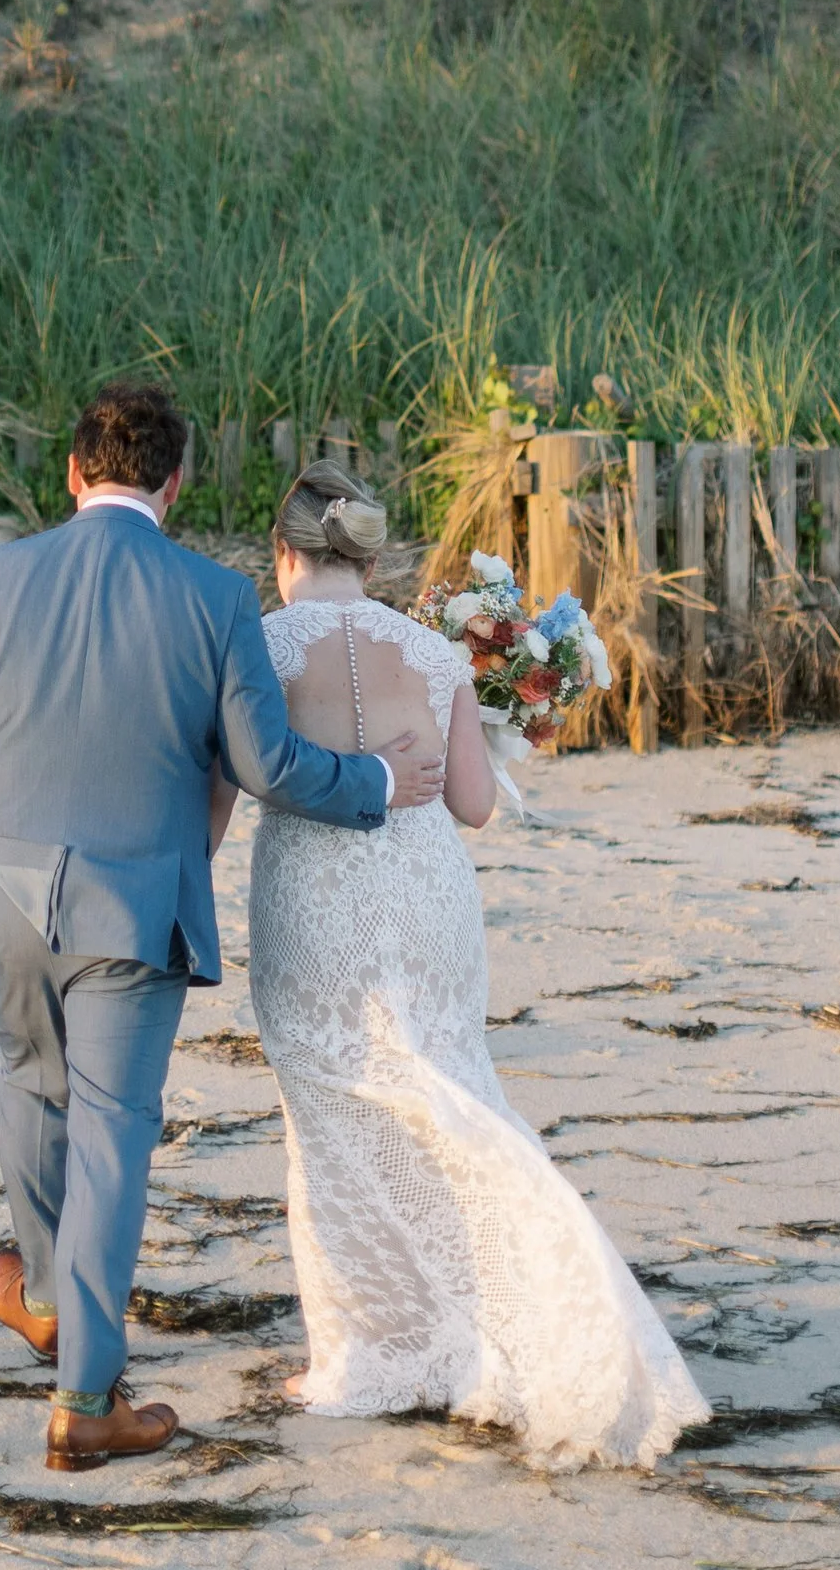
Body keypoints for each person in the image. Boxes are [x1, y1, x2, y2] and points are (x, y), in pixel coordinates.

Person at [0, 382, 445, 1471]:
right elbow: (266, 766)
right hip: (131, 902)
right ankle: (87, 1397)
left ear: (71, 472)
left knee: (27, 1085)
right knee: (109, 1131)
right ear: (175, 481)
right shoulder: (209, 595)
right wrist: (379, 781)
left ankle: (53, 1301)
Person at [226, 456, 708, 1467]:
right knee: (452, 1090)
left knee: (334, 1115)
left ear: (282, 555)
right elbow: (474, 806)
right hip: (428, 899)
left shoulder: (258, 647)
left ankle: (364, 1357)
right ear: (370, 556)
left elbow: (232, 787)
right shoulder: (435, 654)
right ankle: (472, 1339)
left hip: (316, 898)